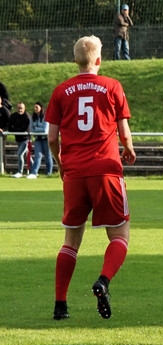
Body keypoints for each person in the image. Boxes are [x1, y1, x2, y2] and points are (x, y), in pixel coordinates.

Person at [46, 35, 136, 320]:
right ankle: (103, 281)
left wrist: (60, 163)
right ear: (99, 59)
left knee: (71, 240)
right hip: (105, 170)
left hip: (74, 173)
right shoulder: (112, 86)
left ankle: (60, 305)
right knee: (119, 235)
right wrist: (129, 149)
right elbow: (124, 132)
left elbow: (51, 137)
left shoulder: (61, 91)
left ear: (75, 60)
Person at [28, 102, 53, 177]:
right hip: (38, 139)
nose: (35, 109)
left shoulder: (46, 116)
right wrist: (38, 129)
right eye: (34, 107)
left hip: (46, 139)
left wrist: (36, 128)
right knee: (37, 156)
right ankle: (34, 173)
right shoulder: (33, 117)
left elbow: (45, 130)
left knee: (48, 156)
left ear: (41, 108)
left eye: (37, 107)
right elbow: (31, 129)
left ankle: (49, 173)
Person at [9, 101, 30, 177]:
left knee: (20, 154)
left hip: (26, 139)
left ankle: (20, 172)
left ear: (24, 108)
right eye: (18, 108)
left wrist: (15, 129)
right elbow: (9, 127)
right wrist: (17, 130)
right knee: (27, 156)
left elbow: (26, 128)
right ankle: (34, 170)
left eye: (21, 108)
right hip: (18, 139)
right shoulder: (13, 116)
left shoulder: (27, 116)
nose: (19, 110)